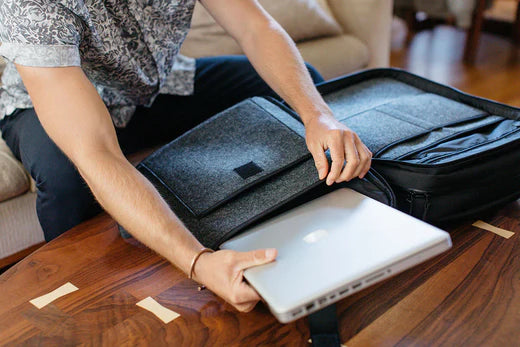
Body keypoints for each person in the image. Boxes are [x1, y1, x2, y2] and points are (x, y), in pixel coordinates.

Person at [0, 0, 372, 312]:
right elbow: (98, 154)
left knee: (303, 84)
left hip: (155, 86)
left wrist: (317, 116)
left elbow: (256, 27)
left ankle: (322, 214)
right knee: (68, 179)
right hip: (50, 103)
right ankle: (82, 298)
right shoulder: (32, 9)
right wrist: (198, 261)